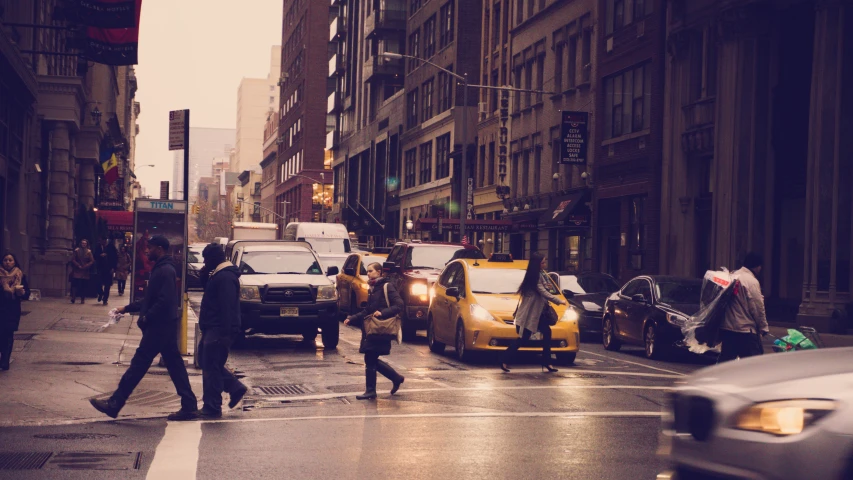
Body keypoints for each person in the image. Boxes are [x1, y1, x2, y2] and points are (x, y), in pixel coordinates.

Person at [89, 235, 198, 420]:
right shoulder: (163, 268)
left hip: (159, 327)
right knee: (174, 366)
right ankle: (189, 405)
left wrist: (147, 317)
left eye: (151, 247)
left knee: (139, 365)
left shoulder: (165, 270)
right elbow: (150, 299)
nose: (147, 250)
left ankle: (115, 404)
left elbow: (164, 301)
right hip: (163, 326)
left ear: (160, 249)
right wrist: (127, 308)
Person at [195, 243, 248, 419]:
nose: (204, 262)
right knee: (207, 362)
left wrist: (225, 334)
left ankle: (212, 406)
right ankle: (235, 387)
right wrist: (204, 275)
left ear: (214, 259)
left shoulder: (225, 277)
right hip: (214, 328)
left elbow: (227, 307)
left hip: (218, 329)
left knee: (210, 367)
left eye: (206, 259)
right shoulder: (218, 275)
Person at [344, 262, 405, 400]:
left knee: (370, 357)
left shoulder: (386, 286)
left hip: (381, 328)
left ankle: (372, 390)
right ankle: (395, 378)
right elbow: (368, 310)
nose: (368, 273)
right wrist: (352, 318)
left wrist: (382, 313)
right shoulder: (372, 288)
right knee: (371, 358)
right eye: (368, 271)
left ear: (379, 272)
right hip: (372, 328)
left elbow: (399, 304)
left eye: (371, 271)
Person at [500, 252, 567, 373]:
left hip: (538, 313)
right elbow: (543, 292)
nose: (545, 264)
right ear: (537, 264)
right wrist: (559, 301)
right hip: (530, 314)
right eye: (543, 262)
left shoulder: (541, 275)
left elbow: (546, 290)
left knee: (547, 332)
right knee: (523, 338)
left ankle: (547, 362)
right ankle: (504, 359)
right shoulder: (534, 277)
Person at [718, 252, 769, 362]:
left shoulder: (732, 276)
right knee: (752, 365)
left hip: (728, 329)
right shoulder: (751, 281)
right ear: (757, 266)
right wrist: (763, 327)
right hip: (745, 331)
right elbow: (757, 307)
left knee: (726, 363)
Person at [0, 253, 30, 370]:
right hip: (1, 307)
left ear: (14, 262)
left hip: (12, 309)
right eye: (5, 260)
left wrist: (22, 293)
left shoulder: (20, 275)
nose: (7, 262)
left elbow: (27, 293)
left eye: (10, 260)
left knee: (8, 334)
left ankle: (5, 360)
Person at [94, 237, 118, 306]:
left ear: (105, 240)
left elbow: (115, 258)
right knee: (98, 283)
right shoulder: (98, 247)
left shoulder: (111, 247)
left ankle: (105, 299)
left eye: (102, 241)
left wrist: (113, 268)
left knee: (107, 285)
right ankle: (101, 293)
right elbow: (95, 256)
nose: (101, 242)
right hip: (100, 268)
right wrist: (100, 255)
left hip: (109, 268)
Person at [70, 239, 94, 304]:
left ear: (86, 244)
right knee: (75, 284)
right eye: (83, 243)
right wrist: (78, 265)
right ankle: (73, 297)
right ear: (80, 244)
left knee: (83, 285)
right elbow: (73, 259)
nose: (83, 244)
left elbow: (92, 261)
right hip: (77, 270)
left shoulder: (89, 252)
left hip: (85, 271)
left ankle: (82, 299)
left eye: (85, 243)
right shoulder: (77, 250)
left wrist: (86, 265)